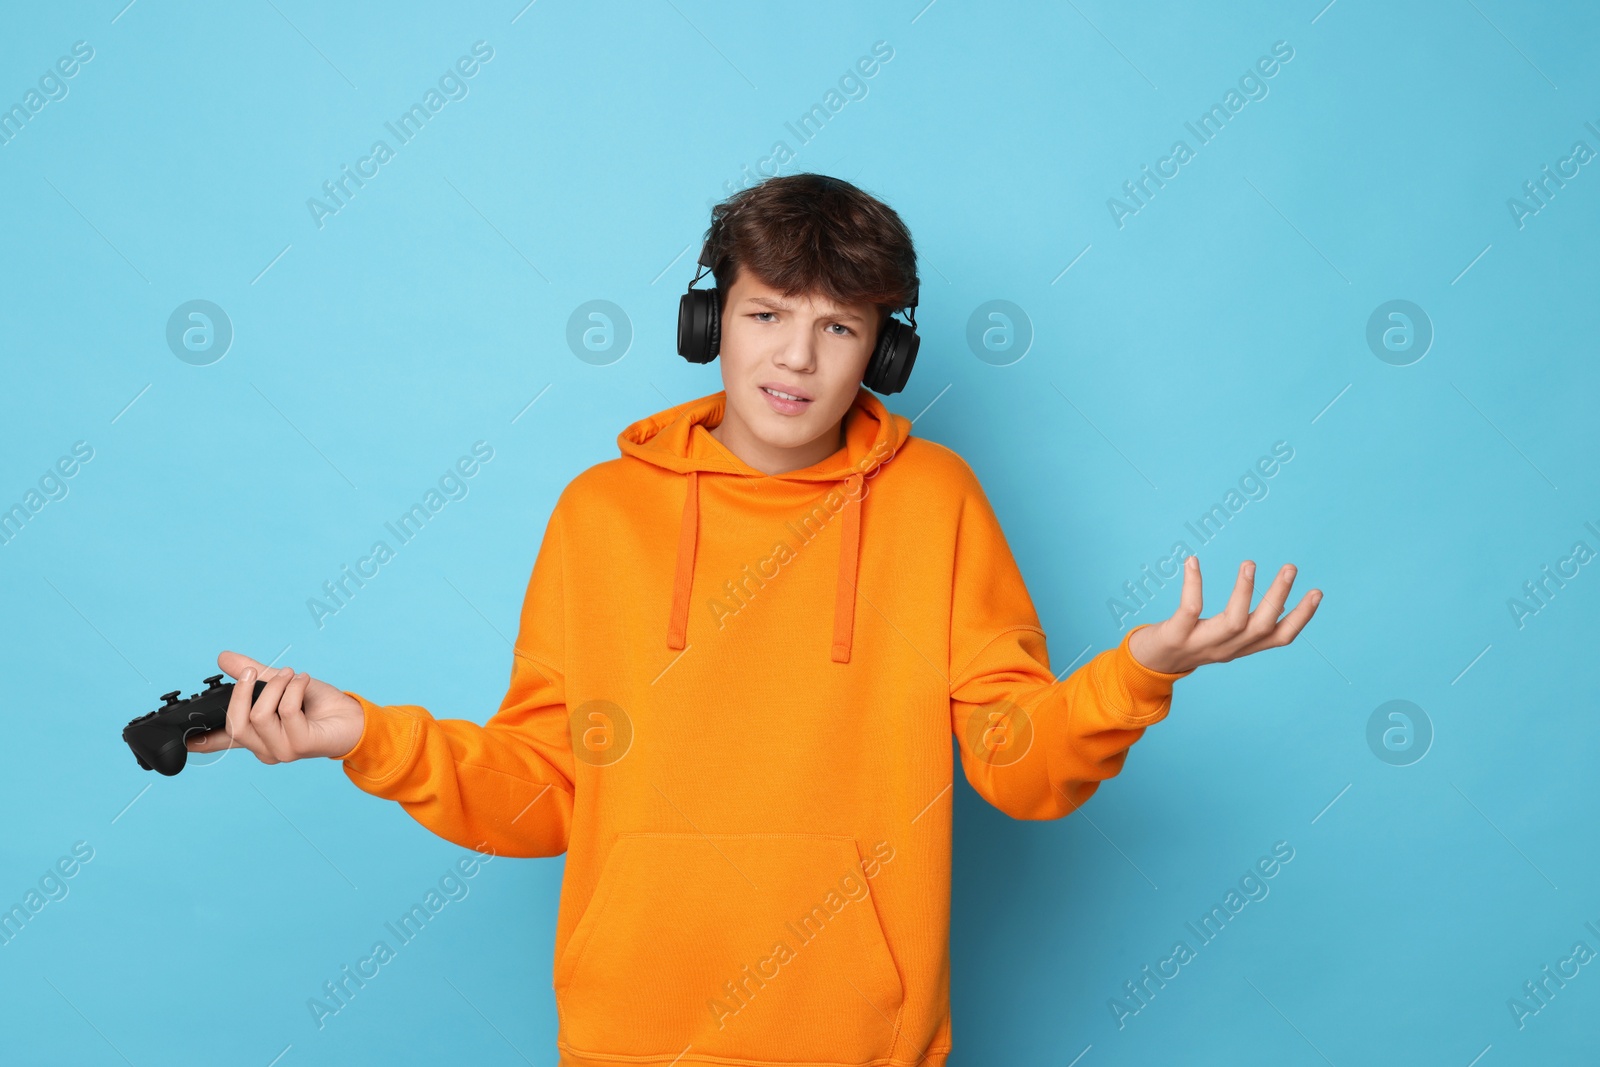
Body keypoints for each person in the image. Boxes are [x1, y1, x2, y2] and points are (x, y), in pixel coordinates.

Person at [192, 173, 1320, 1065]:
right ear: (709, 319)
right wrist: (364, 734)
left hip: (862, 1044)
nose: (794, 355)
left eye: (838, 328)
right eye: (766, 313)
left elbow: (1016, 769)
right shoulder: (602, 513)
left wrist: (1139, 671)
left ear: (883, 349)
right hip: (631, 1043)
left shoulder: (937, 503)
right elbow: (543, 790)